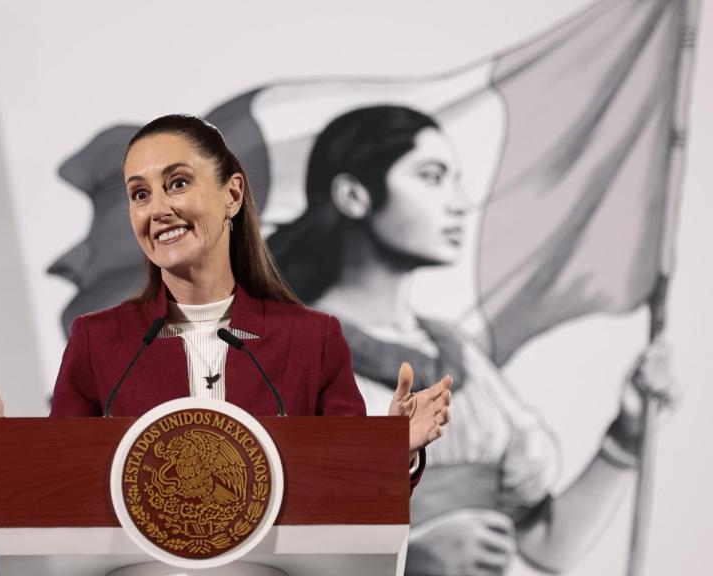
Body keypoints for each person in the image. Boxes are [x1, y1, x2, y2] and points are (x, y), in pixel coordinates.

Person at [0, 114, 453, 485]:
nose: (156, 209)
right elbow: (61, 488)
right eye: (139, 193)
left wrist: (393, 453)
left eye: (177, 184)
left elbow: (348, 493)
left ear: (232, 194)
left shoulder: (312, 339)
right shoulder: (99, 340)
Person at [267, 105, 675, 575]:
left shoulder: (460, 356)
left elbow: (547, 545)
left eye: (456, 180)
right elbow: (242, 540)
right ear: (354, 195)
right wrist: (404, 558)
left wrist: (626, 435)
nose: (460, 202)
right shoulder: (286, 352)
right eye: (432, 176)